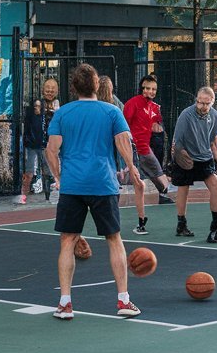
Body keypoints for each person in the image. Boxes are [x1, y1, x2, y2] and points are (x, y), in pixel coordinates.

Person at [45, 63, 145, 320]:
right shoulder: (111, 111)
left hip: (73, 185)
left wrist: (58, 177)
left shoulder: (63, 113)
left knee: (68, 241)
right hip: (103, 184)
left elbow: (51, 150)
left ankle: (65, 303)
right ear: (97, 85)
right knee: (114, 239)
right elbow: (123, 142)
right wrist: (133, 170)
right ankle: (123, 300)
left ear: (73, 87)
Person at [171, 86, 217, 242]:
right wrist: (177, 157)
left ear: (212, 102)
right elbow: (177, 141)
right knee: (183, 189)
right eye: (199, 102)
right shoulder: (186, 115)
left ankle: (216, 227)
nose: (201, 106)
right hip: (186, 155)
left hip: (205, 158)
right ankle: (181, 224)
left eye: (206, 103)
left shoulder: (215, 116)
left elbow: (214, 141)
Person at [99, 74, 147, 232]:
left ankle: (112, 218)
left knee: (113, 187)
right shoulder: (114, 105)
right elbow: (124, 129)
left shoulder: (101, 105)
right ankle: (140, 219)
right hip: (120, 148)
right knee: (136, 182)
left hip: (108, 151)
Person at [122, 74, 173, 206]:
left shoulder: (154, 106)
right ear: (142, 88)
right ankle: (163, 193)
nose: (150, 91)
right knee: (156, 172)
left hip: (146, 145)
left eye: (153, 89)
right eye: (147, 88)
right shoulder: (132, 103)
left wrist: (158, 126)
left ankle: (162, 194)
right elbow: (124, 125)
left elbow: (157, 124)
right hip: (136, 147)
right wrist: (128, 146)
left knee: (153, 172)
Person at [19, 93, 55, 205]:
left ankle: (48, 195)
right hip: (32, 147)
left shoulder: (45, 117)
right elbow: (26, 133)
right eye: (35, 106)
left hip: (43, 147)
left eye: (39, 106)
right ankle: (23, 196)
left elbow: (49, 131)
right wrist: (27, 142)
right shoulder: (30, 118)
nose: (37, 108)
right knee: (29, 172)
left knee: (47, 172)